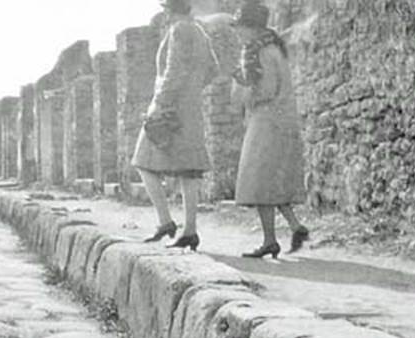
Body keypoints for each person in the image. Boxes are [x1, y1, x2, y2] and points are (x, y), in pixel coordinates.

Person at [131, 0, 219, 250]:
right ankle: (190, 230)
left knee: (142, 161)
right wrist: (192, 90)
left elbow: (173, 70)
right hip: (190, 109)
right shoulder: (199, 31)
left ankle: (165, 221)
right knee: (188, 169)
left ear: (170, 11)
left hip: (170, 108)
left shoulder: (179, 30)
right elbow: (212, 69)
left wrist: (160, 103)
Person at [231, 0, 310, 259]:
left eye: (241, 28)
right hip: (278, 120)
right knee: (272, 180)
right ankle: (295, 226)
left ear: (252, 28)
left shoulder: (262, 53)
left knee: (259, 181)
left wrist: (243, 92)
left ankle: (269, 240)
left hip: (268, 121)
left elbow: (266, 90)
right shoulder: (272, 48)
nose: (238, 33)